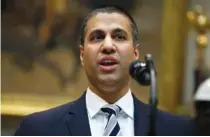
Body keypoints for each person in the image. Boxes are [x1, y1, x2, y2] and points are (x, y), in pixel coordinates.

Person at [15, 5, 196, 136]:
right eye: (97, 37)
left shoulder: (178, 131)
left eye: (119, 36)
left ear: (135, 53)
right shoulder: (38, 130)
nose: (108, 45)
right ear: (82, 54)